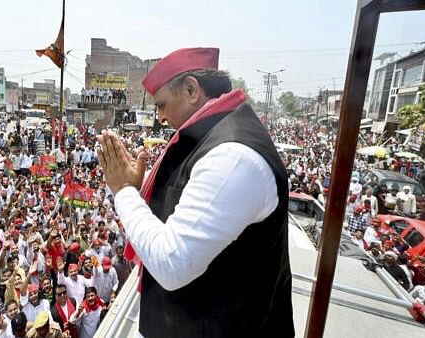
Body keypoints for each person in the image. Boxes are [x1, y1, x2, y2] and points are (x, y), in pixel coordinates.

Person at [97, 48, 293, 337]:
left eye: (162, 105)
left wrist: (124, 191)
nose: (160, 117)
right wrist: (139, 187)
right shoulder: (211, 138)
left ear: (191, 89)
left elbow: (172, 263)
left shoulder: (233, 156)